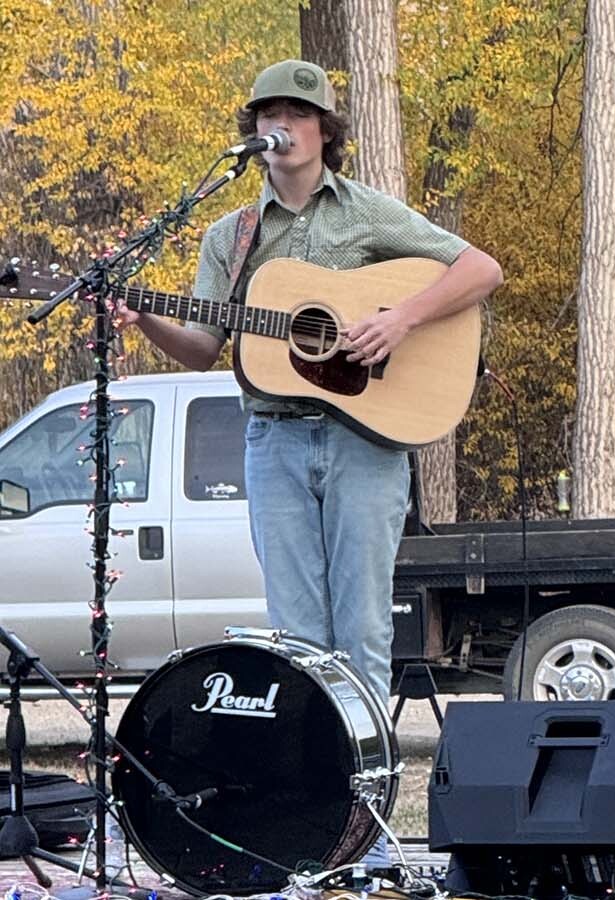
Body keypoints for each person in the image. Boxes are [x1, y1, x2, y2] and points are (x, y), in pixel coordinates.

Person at [119, 61, 502, 715]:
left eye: (296, 115)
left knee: (362, 626)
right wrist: (145, 315)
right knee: (296, 635)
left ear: (325, 131)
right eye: (269, 115)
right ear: (255, 128)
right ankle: (317, 787)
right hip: (274, 442)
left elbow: (480, 268)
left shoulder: (366, 212)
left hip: (365, 442)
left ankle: (362, 786)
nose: (281, 126)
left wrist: (401, 317)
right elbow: (201, 349)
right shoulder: (230, 237)